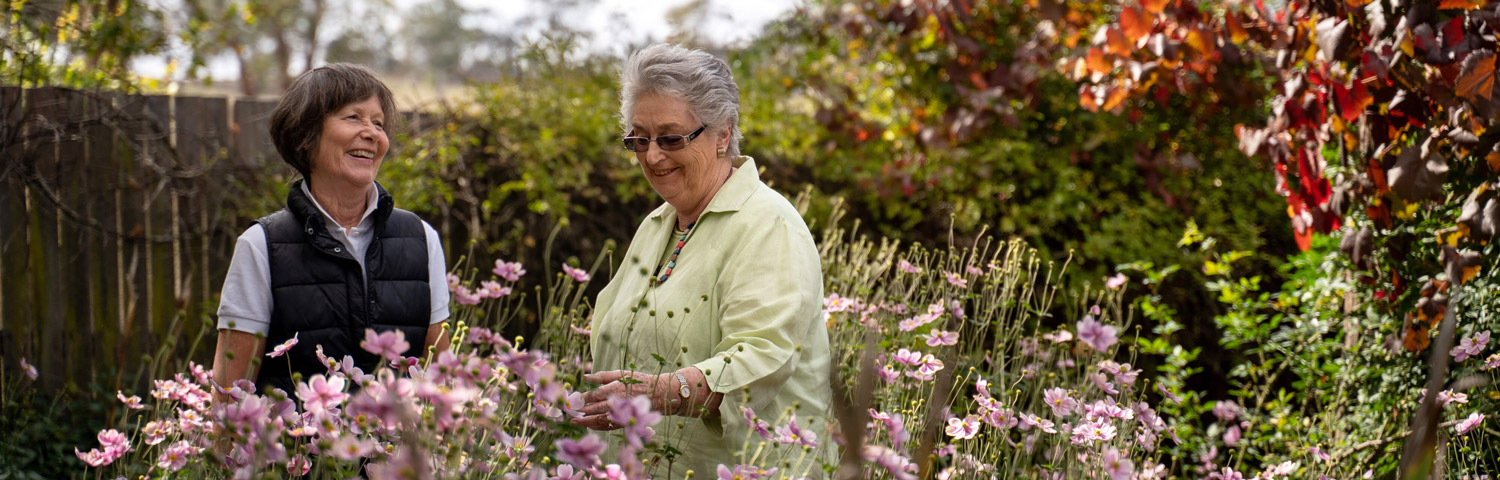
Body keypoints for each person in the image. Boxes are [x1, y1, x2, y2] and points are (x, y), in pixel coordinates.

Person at [575, 43, 833, 478]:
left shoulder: (767, 225)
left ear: (723, 135)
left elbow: (763, 355)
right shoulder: (658, 225)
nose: (652, 155)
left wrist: (665, 391)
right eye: (639, 139)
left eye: (671, 138)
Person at [212, 63, 450, 400]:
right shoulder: (261, 246)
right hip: (294, 449)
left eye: (378, 123)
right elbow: (228, 396)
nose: (371, 133)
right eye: (353, 117)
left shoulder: (422, 239)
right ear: (306, 136)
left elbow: (441, 379)